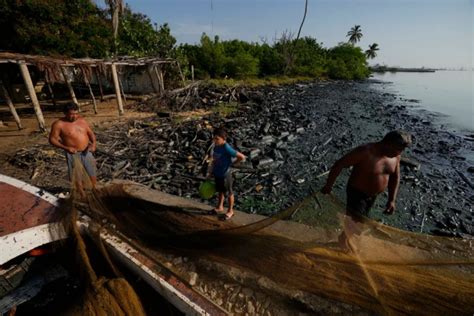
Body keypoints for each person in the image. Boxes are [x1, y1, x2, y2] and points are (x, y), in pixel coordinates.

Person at [321, 131, 412, 248]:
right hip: (357, 193)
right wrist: (329, 185)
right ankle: (344, 243)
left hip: (373, 195)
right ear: (388, 144)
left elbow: (395, 176)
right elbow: (339, 164)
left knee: (358, 222)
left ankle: (343, 240)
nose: (399, 153)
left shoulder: (396, 156)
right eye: (398, 149)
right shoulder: (365, 151)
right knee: (356, 224)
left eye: (401, 150)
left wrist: (392, 200)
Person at [49, 103, 97, 189]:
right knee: (77, 176)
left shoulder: (82, 121)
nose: (74, 116)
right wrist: (66, 148)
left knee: (92, 172)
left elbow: (91, 133)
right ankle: (81, 195)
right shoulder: (59, 124)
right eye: (71, 114)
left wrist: (93, 144)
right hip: (73, 154)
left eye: (76, 113)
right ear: (65, 113)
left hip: (87, 151)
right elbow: (52, 139)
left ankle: (94, 190)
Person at [208, 127, 246, 220]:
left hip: (225, 174)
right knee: (220, 191)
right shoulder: (216, 146)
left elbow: (241, 156)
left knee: (229, 193)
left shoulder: (226, 147)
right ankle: (220, 207)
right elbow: (213, 159)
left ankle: (230, 211)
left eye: (217, 139)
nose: (215, 140)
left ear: (223, 139)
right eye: (214, 138)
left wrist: (233, 163)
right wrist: (210, 171)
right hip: (217, 172)